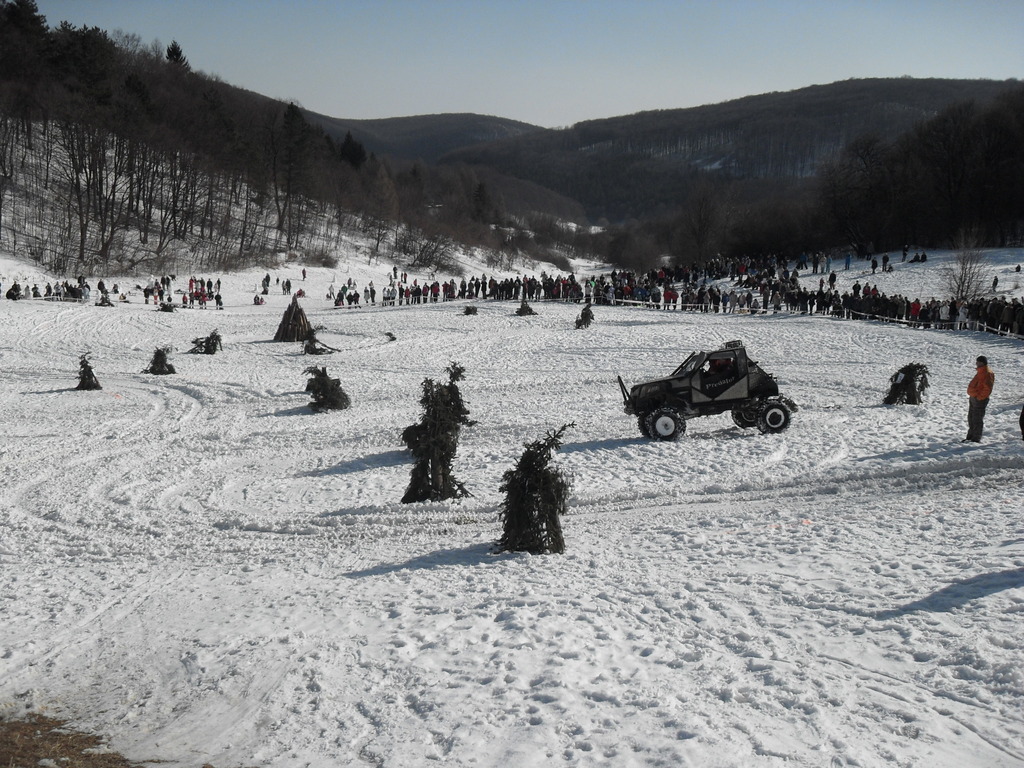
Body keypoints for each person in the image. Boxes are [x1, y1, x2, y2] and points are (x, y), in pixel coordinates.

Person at [964, 355, 994, 443]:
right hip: (974, 398)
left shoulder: (987, 373)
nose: (976, 363)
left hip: (979, 400)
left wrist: (979, 397)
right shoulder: (980, 371)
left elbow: (987, 388)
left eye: (978, 362)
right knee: (971, 418)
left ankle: (976, 438)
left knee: (977, 419)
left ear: (982, 363)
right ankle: (970, 437)